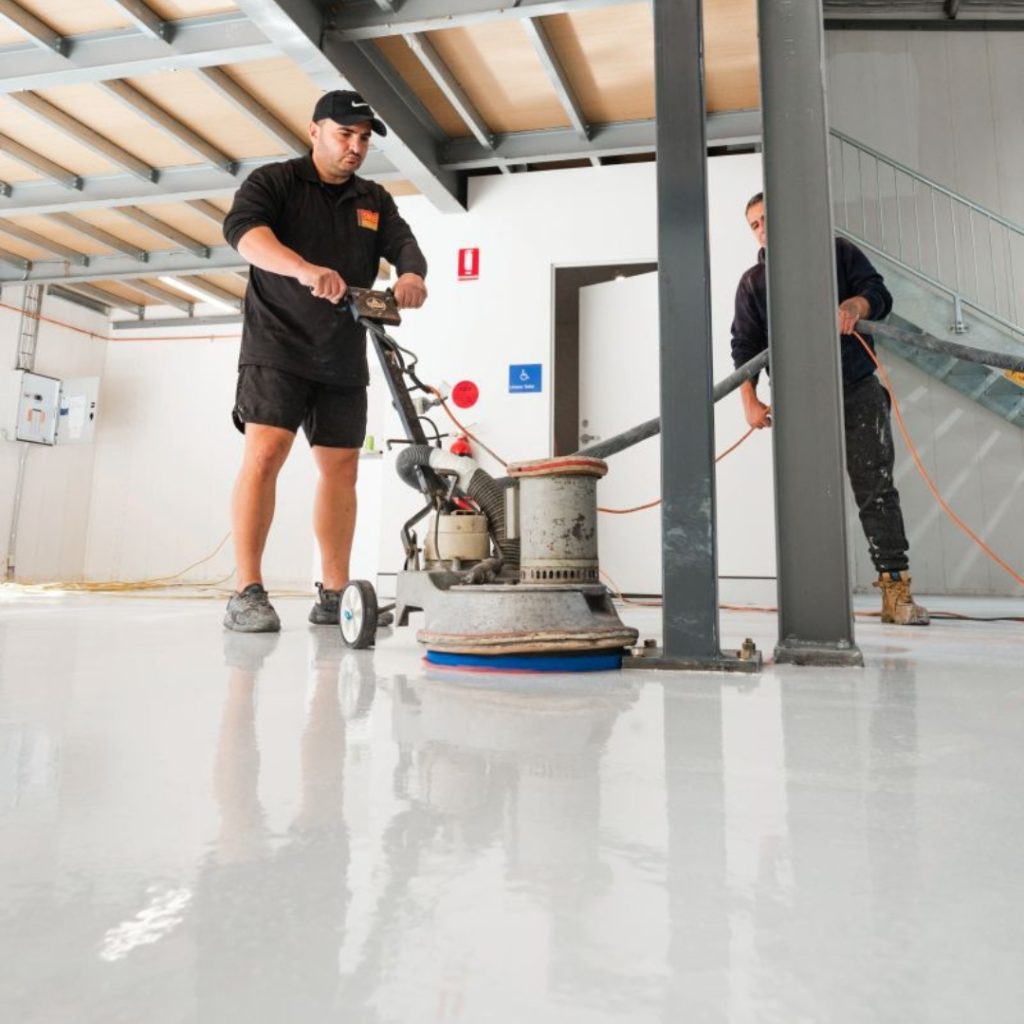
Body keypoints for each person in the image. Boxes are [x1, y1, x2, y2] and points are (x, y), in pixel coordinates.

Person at [221, 90, 428, 633]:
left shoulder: (373, 198)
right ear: (314, 131)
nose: (356, 147)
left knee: (341, 470)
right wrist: (303, 268)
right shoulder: (276, 182)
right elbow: (244, 235)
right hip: (276, 346)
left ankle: (334, 594)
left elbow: (404, 244)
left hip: (343, 352)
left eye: (363, 138)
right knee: (265, 455)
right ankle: (246, 589)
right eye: (345, 135)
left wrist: (410, 276)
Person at [730, 192, 929, 626]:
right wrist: (750, 400)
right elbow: (745, 346)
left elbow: (877, 291)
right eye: (754, 224)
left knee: (876, 490)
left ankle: (896, 591)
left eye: (766, 218)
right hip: (798, 399)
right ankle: (808, 598)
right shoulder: (753, 283)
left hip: (857, 388)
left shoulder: (837, 252)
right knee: (803, 496)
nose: (762, 227)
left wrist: (856, 305)